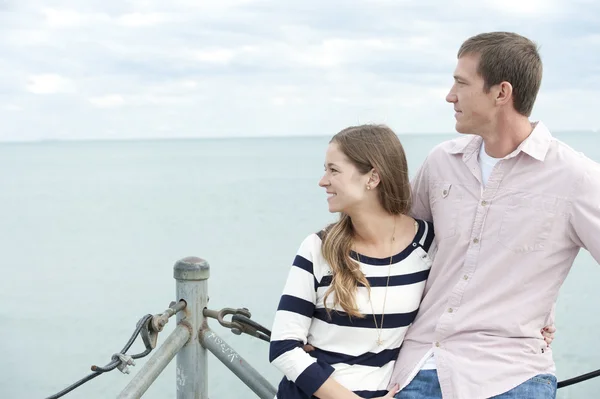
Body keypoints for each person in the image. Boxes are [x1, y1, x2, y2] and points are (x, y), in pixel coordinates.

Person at [388, 31, 600, 399]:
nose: (449, 95)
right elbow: (392, 247)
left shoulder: (576, 177)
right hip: (416, 368)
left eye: (461, 83)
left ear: (502, 93)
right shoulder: (441, 162)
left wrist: (540, 307)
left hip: (511, 376)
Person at [269, 125, 436, 398]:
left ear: (372, 177)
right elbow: (283, 347)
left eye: (333, 170)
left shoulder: (429, 245)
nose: (322, 181)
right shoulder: (318, 248)